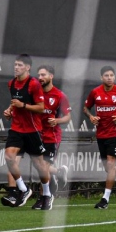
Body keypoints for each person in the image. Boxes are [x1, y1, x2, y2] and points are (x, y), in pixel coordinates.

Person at [1, 53, 54, 210]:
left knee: (40, 165)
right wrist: (9, 110)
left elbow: (41, 107)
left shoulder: (34, 84)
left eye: (20, 65)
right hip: (17, 128)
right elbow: (14, 103)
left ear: (28, 67)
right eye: (15, 64)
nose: (16, 67)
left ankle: (46, 194)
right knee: (9, 157)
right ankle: (23, 189)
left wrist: (22, 106)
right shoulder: (11, 83)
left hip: (33, 130)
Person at [83, 65, 116, 209]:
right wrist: (91, 117)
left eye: (112, 75)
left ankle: (105, 199)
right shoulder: (95, 92)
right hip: (101, 134)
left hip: (115, 133)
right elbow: (85, 108)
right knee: (108, 169)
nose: (109, 78)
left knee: (111, 165)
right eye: (106, 75)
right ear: (102, 77)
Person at [37, 64, 71, 196]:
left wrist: (57, 120)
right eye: (39, 75)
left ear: (51, 76)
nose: (40, 77)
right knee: (40, 167)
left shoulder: (59, 95)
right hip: (36, 136)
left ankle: (44, 197)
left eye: (43, 75)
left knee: (44, 167)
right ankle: (58, 172)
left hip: (52, 136)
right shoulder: (35, 94)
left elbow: (68, 117)